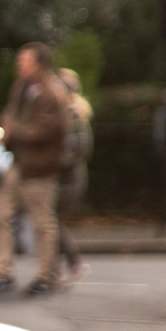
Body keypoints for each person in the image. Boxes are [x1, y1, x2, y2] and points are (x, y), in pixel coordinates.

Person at [0, 44, 73, 295]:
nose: (19, 66)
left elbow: (41, 131)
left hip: (40, 169)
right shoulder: (21, 88)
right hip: (18, 165)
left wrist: (13, 130)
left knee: (42, 224)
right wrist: (8, 128)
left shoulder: (52, 95)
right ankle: (3, 272)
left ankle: (46, 276)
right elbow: (10, 115)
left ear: (40, 65)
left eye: (25, 62)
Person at [53, 65, 94, 285]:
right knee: (52, 222)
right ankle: (61, 267)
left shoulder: (73, 116)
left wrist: (51, 162)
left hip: (69, 180)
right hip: (65, 178)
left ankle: (70, 265)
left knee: (52, 222)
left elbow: (77, 151)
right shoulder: (66, 114)